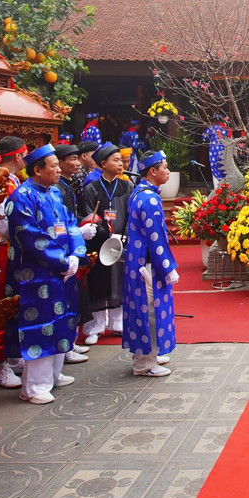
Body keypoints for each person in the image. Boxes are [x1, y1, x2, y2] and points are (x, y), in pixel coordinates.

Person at [0, 144, 84, 405]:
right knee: (39, 326)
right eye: (54, 166)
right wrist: (62, 260)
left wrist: (75, 253)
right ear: (37, 170)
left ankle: (54, 375)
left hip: (61, 272)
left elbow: (71, 224)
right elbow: (30, 237)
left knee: (63, 320)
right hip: (34, 275)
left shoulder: (55, 194)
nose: (59, 169)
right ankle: (34, 386)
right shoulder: (20, 198)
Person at [123, 149, 179, 377]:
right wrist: (168, 267)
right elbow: (155, 238)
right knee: (150, 312)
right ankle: (144, 364)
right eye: (164, 167)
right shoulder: (149, 199)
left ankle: (149, 355)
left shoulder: (140, 193)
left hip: (139, 262)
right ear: (152, 171)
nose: (167, 171)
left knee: (143, 310)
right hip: (147, 266)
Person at [0, 136, 27, 389]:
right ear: (19, 157)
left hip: (11, 248)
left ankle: (11, 354)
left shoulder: (9, 180)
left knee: (12, 303)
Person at [79, 144, 130, 344]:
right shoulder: (91, 188)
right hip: (99, 243)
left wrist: (122, 236)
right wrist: (105, 234)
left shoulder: (127, 185)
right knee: (99, 281)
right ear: (103, 164)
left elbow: (130, 214)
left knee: (120, 280)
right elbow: (88, 214)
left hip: (120, 241)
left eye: (120, 160)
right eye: (115, 160)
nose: (120, 164)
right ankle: (95, 327)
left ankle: (118, 323)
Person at [52, 144, 92, 365]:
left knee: (72, 297)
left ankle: (70, 341)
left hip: (71, 247)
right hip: (60, 251)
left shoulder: (66, 185)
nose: (76, 163)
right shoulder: (56, 189)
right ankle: (65, 346)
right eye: (72, 159)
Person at [204, 115, 231, 189]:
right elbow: (230, 138)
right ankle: (226, 188)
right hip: (224, 151)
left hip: (214, 151)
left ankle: (217, 190)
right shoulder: (226, 129)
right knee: (225, 169)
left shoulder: (211, 128)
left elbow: (204, 138)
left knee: (215, 169)